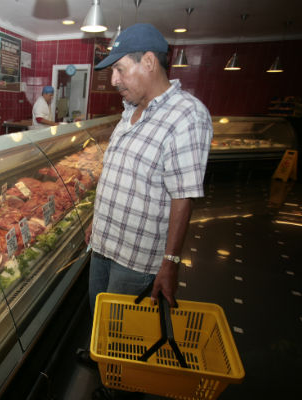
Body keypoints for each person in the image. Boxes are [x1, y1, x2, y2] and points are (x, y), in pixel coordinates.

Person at [88, 23, 213, 314]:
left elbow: (183, 197)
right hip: (103, 241)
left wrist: (170, 263)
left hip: (135, 256)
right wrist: (98, 221)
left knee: (119, 326)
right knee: (97, 312)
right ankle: (98, 357)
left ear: (148, 62)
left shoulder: (187, 116)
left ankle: (110, 361)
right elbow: (119, 175)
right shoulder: (130, 109)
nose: (114, 81)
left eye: (120, 69)